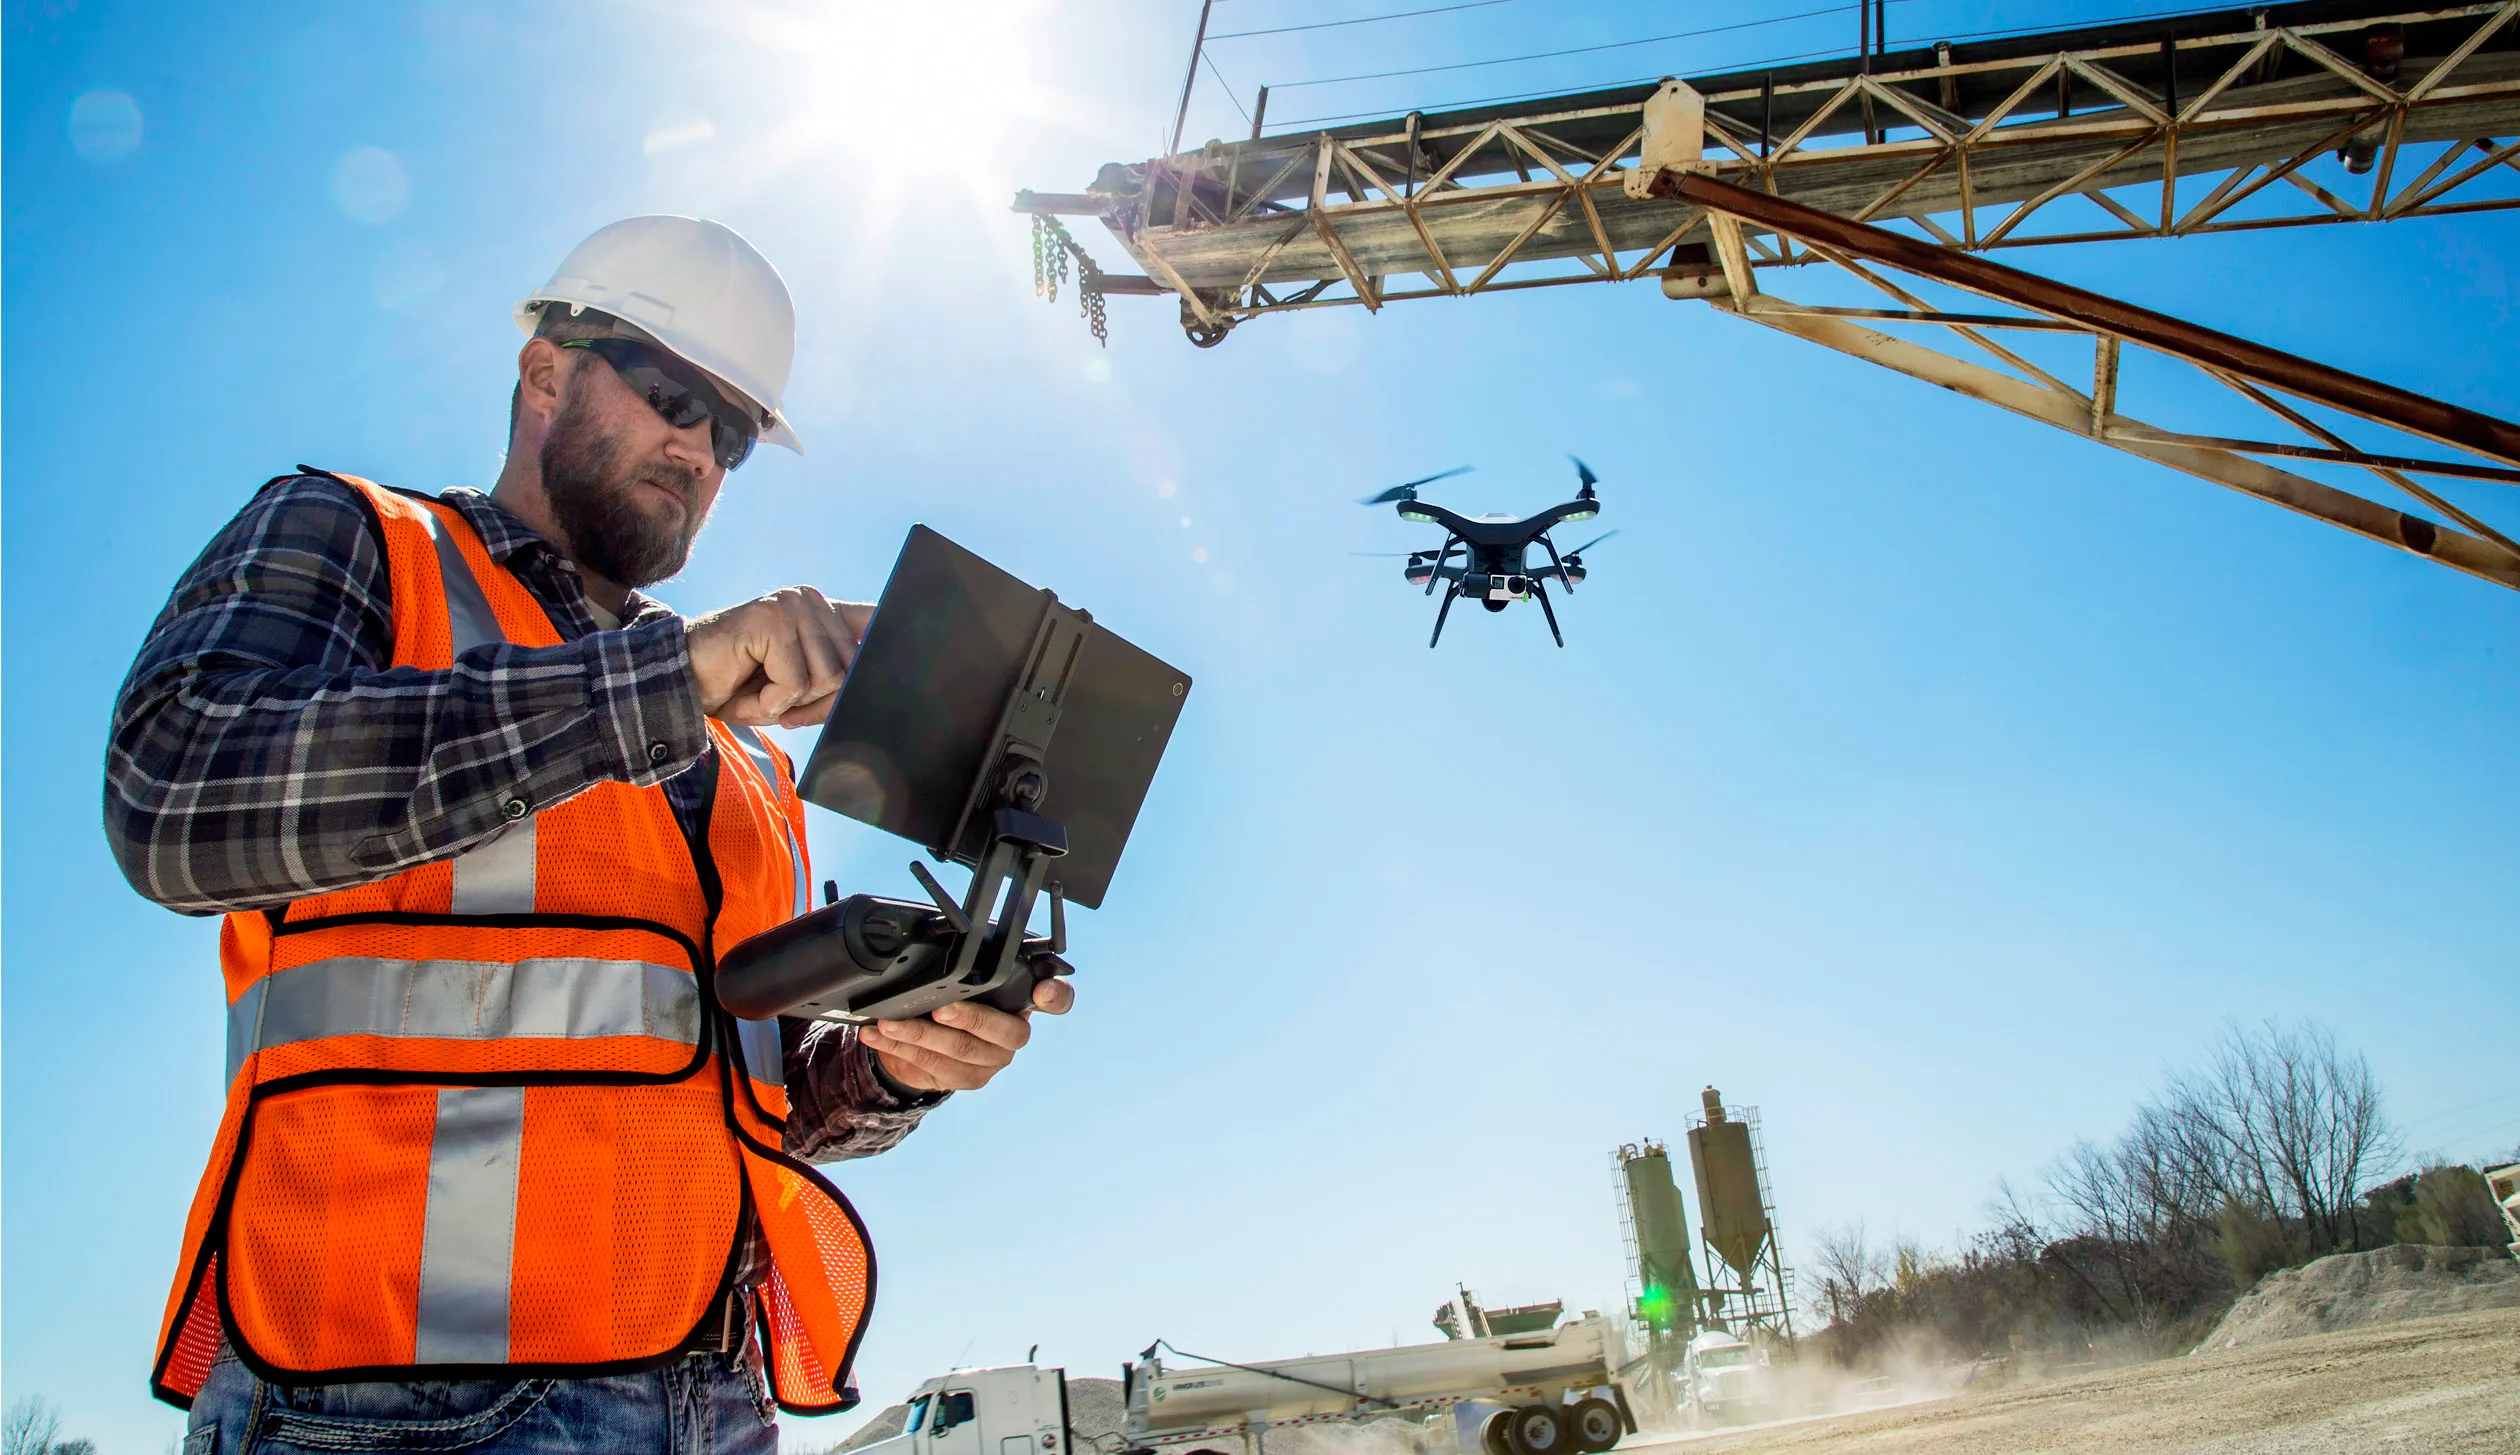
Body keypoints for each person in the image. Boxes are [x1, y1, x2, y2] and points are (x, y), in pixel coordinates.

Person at [103, 216, 1072, 1454]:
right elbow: (176, 794)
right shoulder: (364, 541)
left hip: (704, 1399)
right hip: (385, 1400)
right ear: (546, 373)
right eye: (673, 396)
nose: (698, 451)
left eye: (730, 436)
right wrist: (662, 682)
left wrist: (889, 1066)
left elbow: (737, 1093)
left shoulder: (742, 751)